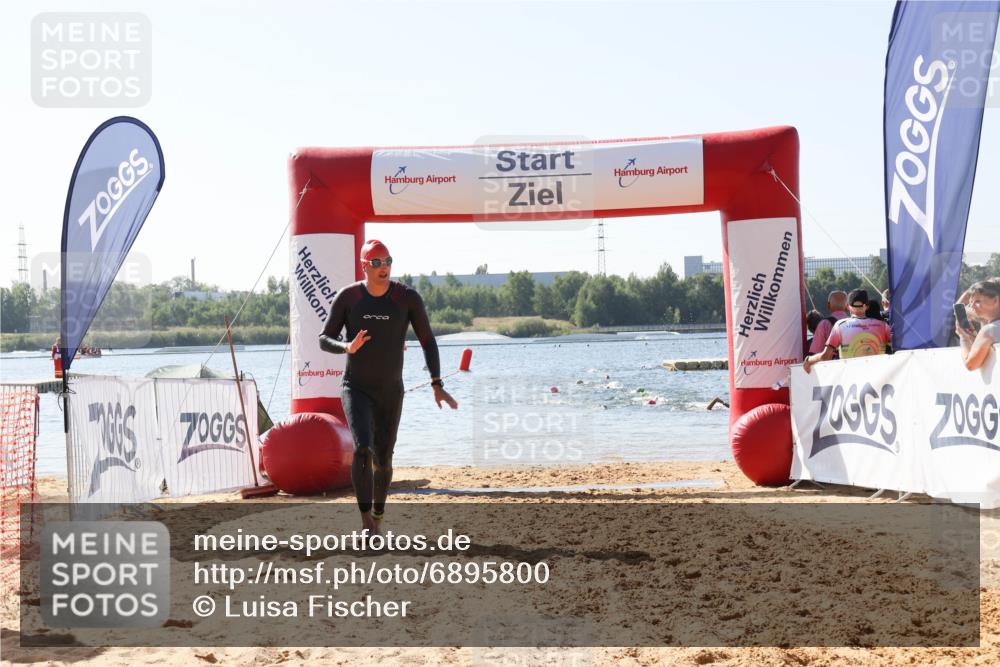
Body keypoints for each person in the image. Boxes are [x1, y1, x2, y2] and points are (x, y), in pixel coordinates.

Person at [319, 239, 458, 533]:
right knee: (363, 449)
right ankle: (366, 521)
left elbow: (427, 340)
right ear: (364, 266)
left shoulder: (406, 298)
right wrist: (346, 346)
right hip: (355, 387)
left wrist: (436, 382)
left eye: (388, 261)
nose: (384, 268)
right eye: (377, 263)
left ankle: (379, 517)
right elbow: (324, 338)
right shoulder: (349, 298)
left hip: (390, 391)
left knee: (384, 459)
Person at [803, 289, 892, 373]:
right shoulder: (883, 326)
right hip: (878, 376)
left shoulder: (840, 326)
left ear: (848, 307)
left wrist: (809, 360)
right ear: (867, 306)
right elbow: (896, 348)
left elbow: (825, 356)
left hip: (850, 379)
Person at [956, 278, 1000, 371]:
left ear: (995, 300)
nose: (971, 306)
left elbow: (971, 365)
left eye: (977, 301)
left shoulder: (989, 330)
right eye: (971, 302)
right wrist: (973, 338)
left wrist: (963, 338)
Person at [807, 291, 849, 358]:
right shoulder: (854, 323)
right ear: (847, 306)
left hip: (831, 366)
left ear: (828, 305)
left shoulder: (824, 324)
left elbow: (815, 353)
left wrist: (808, 361)